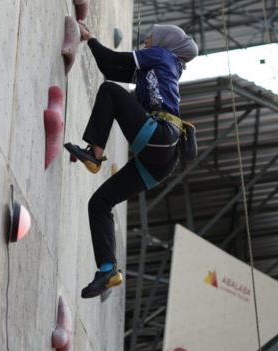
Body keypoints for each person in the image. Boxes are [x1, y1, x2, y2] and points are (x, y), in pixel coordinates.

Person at [65, 22, 198, 298]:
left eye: (150, 36)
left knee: (110, 91)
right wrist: (92, 44)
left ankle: (95, 154)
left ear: (163, 43)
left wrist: (89, 37)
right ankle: (108, 269)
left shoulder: (161, 56)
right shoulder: (157, 68)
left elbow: (113, 61)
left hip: (160, 136)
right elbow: (109, 67)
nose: (145, 39)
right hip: (160, 162)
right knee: (99, 203)